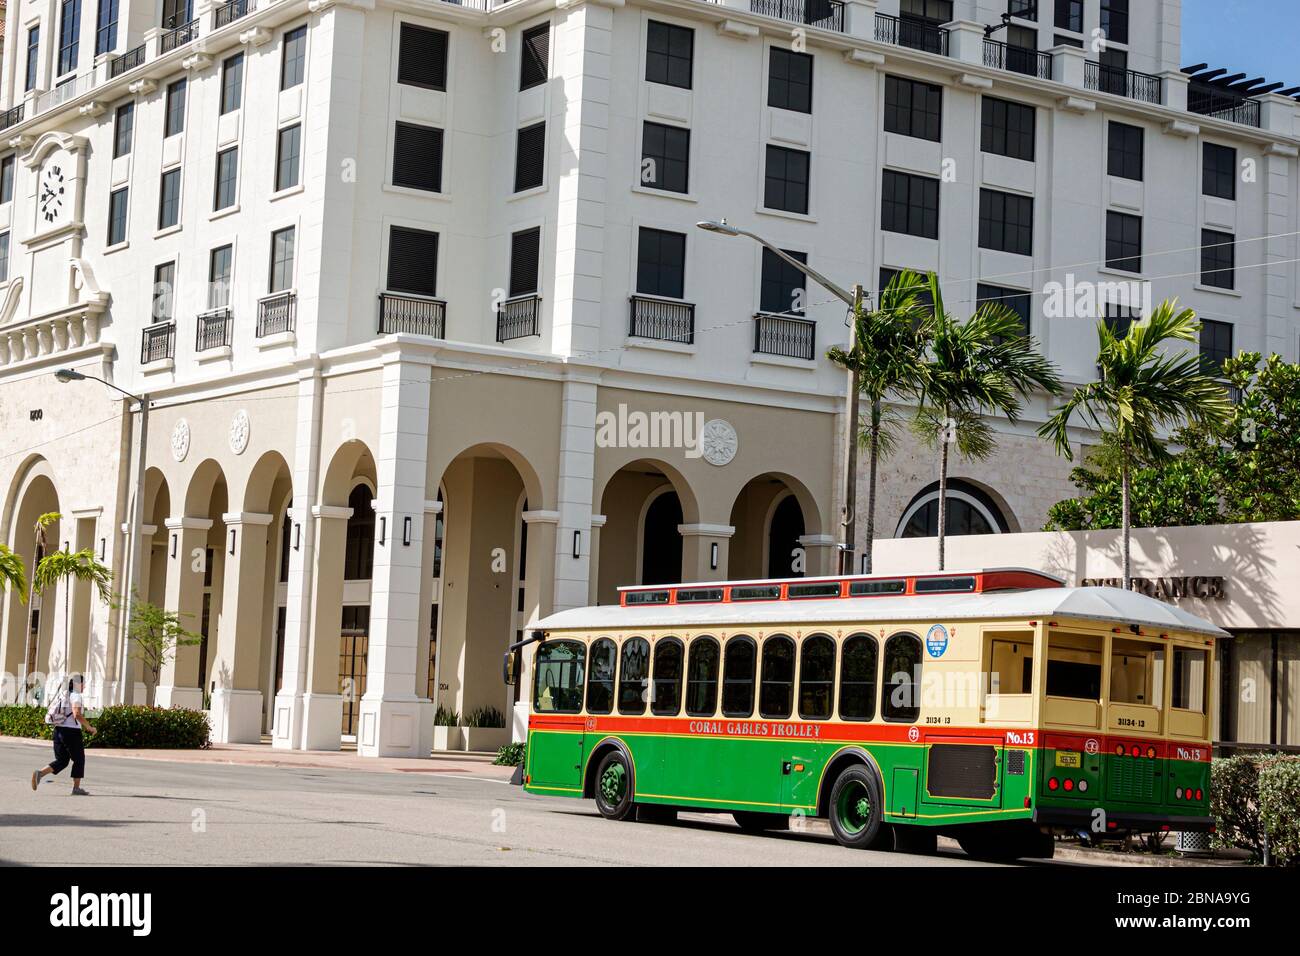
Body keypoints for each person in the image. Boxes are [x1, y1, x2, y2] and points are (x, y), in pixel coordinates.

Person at [31, 675, 96, 796]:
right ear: (78, 684)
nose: (85, 686)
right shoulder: (76, 696)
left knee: (62, 760)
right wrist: (89, 727)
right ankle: (76, 789)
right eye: (83, 684)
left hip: (58, 731)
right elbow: (76, 714)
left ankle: (39, 773)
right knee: (79, 759)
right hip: (72, 732)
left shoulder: (65, 694)